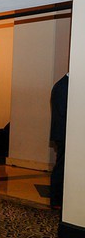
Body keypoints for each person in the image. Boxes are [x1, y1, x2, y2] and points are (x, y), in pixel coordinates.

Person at [50, 73, 69, 209]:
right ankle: (56, 200)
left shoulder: (65, 84)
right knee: (61, 167)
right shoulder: (62, 86)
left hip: (65, 133)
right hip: (63, 134)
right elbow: (63, 113)